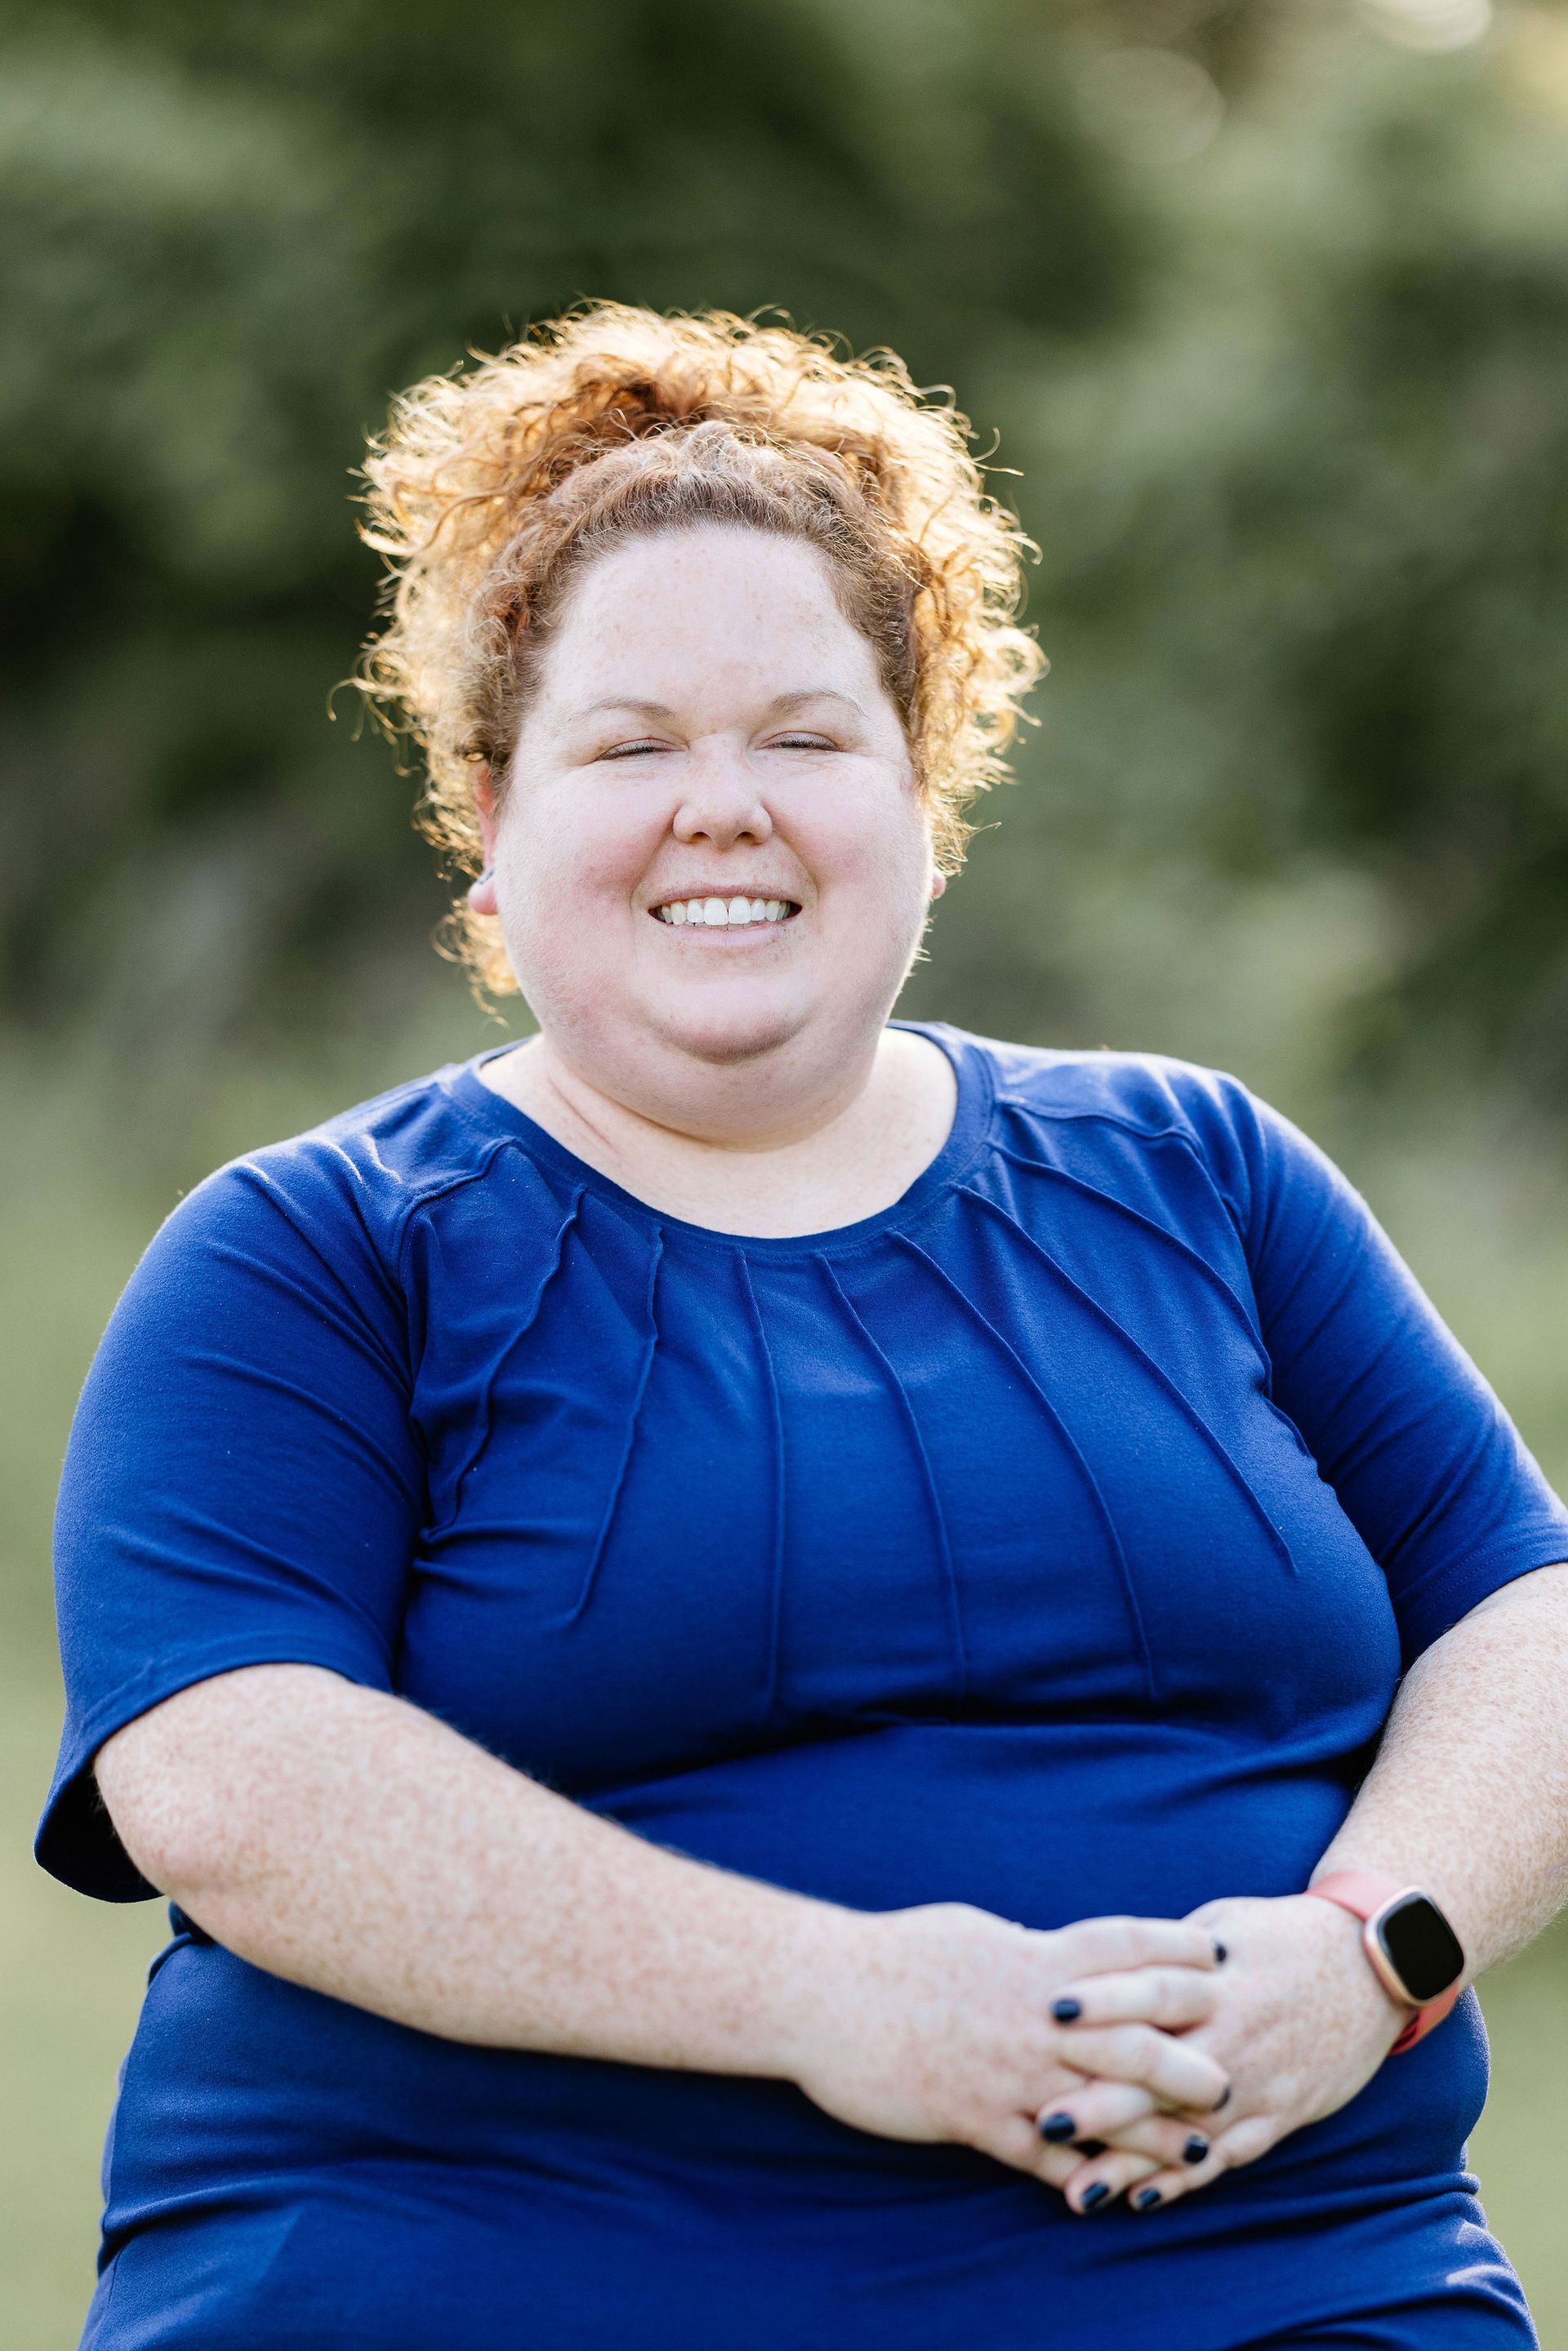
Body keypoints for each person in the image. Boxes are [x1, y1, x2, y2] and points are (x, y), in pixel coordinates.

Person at [38, 304, 1568, 2351]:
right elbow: (232, 1784)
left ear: (924, 793)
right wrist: (839, 2001)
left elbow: (1526, 1612)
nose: (724, 806)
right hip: (515, 2286)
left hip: (1281, 2289)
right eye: (631, 745)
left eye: (806, 736)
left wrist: (1373, 1955)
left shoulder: (1198, 1170)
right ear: (488, 821)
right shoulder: (313, 1255)